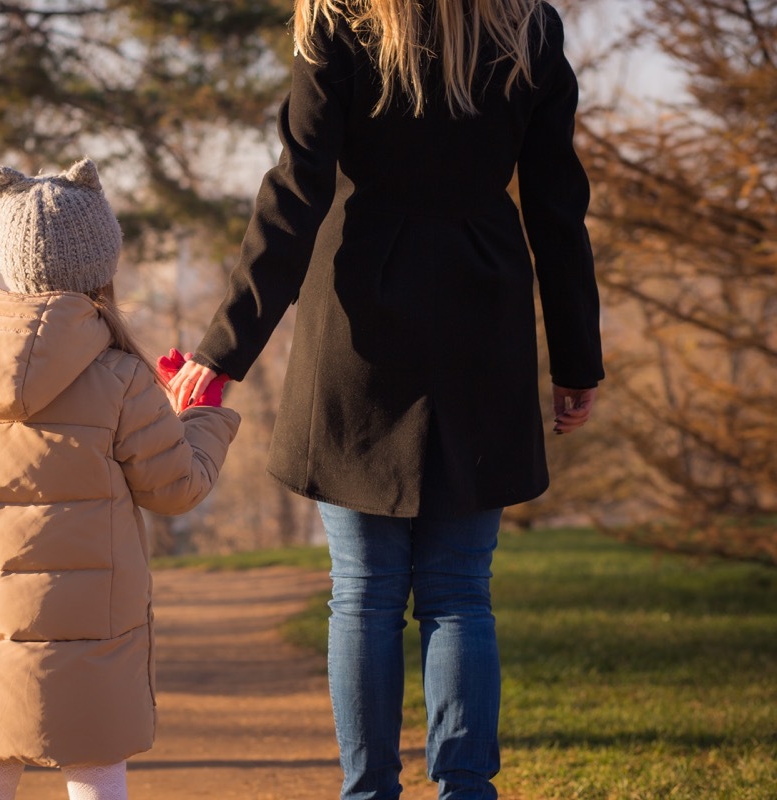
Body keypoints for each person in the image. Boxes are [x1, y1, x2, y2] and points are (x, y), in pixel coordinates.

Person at [169, 1, 602, 798]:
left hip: (359, 319)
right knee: (459, 592)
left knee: (365, 595)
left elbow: (296, 190)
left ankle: (368, 794)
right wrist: (576, 358)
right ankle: (466, 791)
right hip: (482, 317)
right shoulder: (526, 24)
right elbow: (555, 203)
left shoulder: (339, 20)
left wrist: (225, 350)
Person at [0, 158, 240, 800]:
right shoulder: (121, 379)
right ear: (102, 266)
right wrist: (201, 415)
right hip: (94, 622)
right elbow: (176, 488)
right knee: (94, 766)